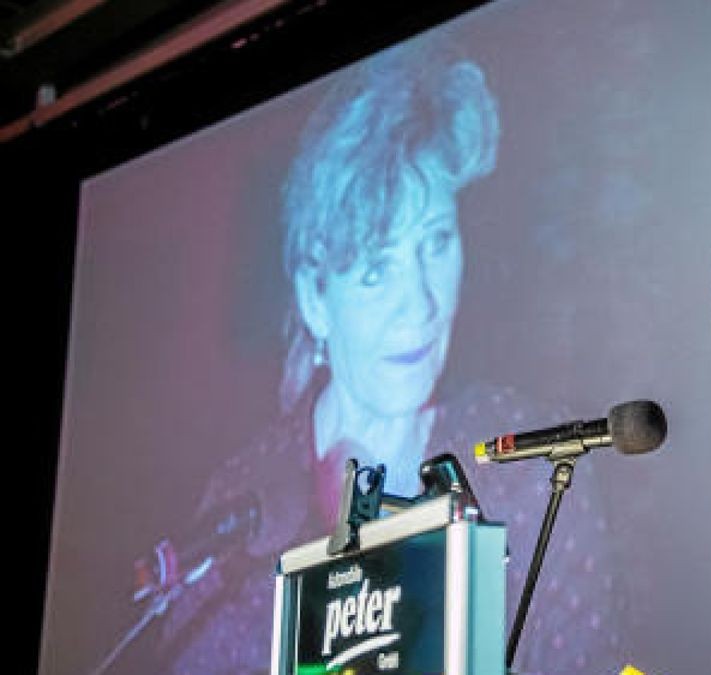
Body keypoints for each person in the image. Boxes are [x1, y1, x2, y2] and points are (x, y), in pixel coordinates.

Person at [139, 39, 625, 675]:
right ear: (316, 295)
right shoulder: (241, 505)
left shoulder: (534, 470)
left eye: (436, 243)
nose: (419, 303)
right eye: (375, 271)